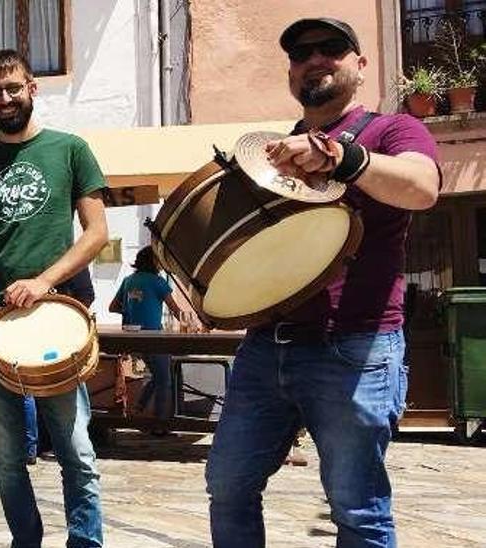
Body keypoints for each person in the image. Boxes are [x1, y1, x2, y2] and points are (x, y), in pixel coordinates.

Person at [205, 18, 440, 547]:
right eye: (300, 53)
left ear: (359, 64)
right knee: (228, 485)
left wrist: (341, 158)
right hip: (267, 345)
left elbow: (423, 188)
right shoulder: (273, 150)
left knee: (357, 510)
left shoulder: (393, 130)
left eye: (331, 48)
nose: (314, 59)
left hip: (355, 345)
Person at [0, 49, 110, 547]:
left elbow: (97, 232)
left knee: (76, 448)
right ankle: (27, 541)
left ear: (32, 88)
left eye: (13, 87)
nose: (5, 98)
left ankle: (85, 541)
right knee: (7, 456)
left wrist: (43, 281)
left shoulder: (70, 150)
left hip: (52, 313)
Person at [109, 247, 198, 432]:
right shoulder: (157, 282)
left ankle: (138, 409)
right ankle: (160, 424)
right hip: (154, 337)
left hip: (134, 338)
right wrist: (194, 323)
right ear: (155, 262)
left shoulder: (128, 281)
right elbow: (174, 309)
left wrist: (132, 310)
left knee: (157, 376)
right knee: (164, 380)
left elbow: (112, 307)